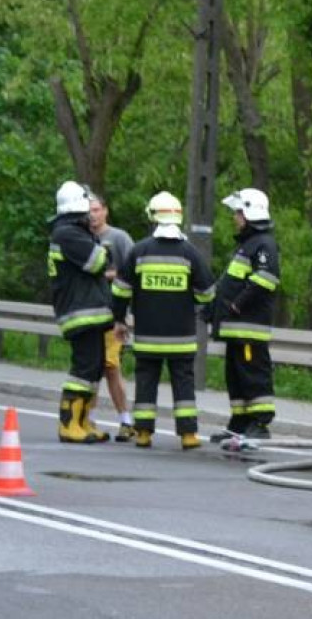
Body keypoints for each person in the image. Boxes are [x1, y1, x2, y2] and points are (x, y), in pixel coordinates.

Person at [112, 192, 215, 449]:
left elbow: (120, 291)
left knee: (146, 384)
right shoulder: (190, 254)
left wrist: (119, 320)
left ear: (154, 218)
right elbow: (207, 294)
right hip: (181, 338)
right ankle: (188, 435)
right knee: (184, 387)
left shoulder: (139, 251)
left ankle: (144, 433)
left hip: (148, 336)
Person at [208, 188, 281, 441]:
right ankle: (239, 421)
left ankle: (259, 423)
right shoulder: (248, 245)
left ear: (250, 212)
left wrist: (237, 305)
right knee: (236, 376)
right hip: (236, 328)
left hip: (249, 327)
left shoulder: (264, 244)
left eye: (238, 212)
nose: (235, 218)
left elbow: (266, 279)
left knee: (253, 375)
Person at [48, 180, 114, 444]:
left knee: (94, 368)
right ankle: (69, 424)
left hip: (90, 311)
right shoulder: (68, 234)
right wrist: (104, 249)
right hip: (80, 312)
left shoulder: (73, 231)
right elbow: (98, 261)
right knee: (84, 368)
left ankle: (83, 421)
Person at [88, 193, 137, 442]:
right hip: (87, 314)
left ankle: (125, 420)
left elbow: (133, 271)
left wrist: (106, 275)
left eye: (96, 209)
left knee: (110, 365)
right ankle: (90, 419)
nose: (92, 215)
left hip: (111, 313)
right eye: (88, 211)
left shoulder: (118, 238)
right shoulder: (81, 238)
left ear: (105, 211)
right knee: (90, 367)